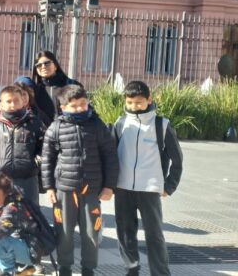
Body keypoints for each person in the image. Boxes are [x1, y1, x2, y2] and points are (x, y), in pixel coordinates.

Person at [40, 85, 119, 276]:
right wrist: (49, 187)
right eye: (74, 105)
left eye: (83, 104)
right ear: (63, 108)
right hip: (64, 191)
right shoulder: (55, 128)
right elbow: (47, 159)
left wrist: (109, 186)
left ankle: (88, 269)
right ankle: (64, 267)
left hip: (92, 190)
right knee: (64, 232)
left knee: (92, 232)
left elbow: (110, 156)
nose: (80, 108)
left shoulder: (97, 125)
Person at [112, 81, 183, 276]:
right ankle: (132, 269)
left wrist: (169, 186)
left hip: (150, 189)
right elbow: (111, 157)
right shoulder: (120, 124)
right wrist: (109, 185)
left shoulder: (162, 125)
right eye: (130, 102)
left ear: (149, 100)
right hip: (123, 188)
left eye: (139, 102)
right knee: (125, 233)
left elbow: (177, 159)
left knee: (154, 234)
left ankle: (160, 272)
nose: (134, 106)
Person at [0, 85, 46, 205]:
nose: (12, 104)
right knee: (3, 216)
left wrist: (35, 162)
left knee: (29, 216)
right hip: (1, 180)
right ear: (2, 104)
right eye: (8, 101)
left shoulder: (35, 122)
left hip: (28, 180)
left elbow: (46, 147)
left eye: (16, 101)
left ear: (23, 102)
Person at [31, 51, 82, 126]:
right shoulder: (35, 90)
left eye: (47, 63)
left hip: (69, 130)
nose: (43, 67)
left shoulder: (72, 85)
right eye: (39, 65)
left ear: (55, 65)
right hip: (45, 133)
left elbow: (84, 108)